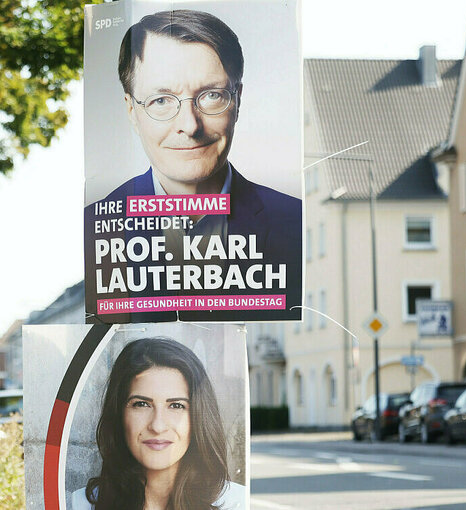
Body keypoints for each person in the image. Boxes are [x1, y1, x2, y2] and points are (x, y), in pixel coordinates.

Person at [85, 9, 301, 322]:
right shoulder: (99, 227)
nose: (189, 125)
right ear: (132, 110)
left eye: (211, 95)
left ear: (237, 100)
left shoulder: (292, 221)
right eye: (161, 100)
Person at [71, 338, 245, 510]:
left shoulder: (236, 503)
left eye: (176, 405)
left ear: (199, 417)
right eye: (141, 404)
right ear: (119, 414)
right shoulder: (83, 504)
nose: (157, 426)